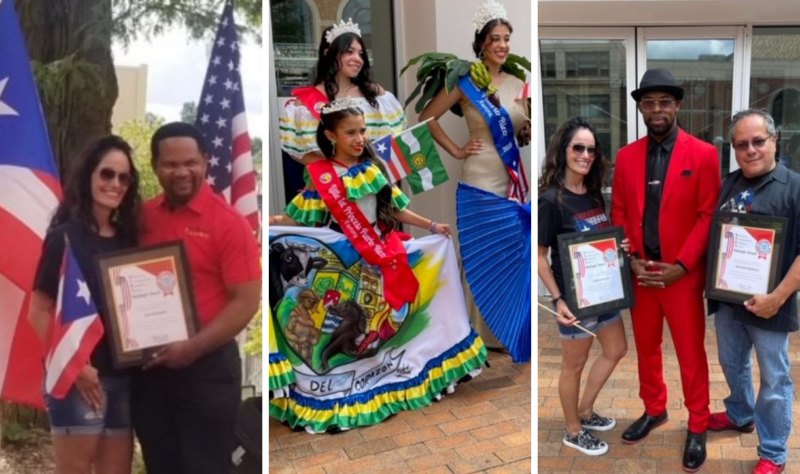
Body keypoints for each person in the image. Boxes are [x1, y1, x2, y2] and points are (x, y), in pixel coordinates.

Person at [268, 99, 488, 433]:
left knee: (388, 316)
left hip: (379, 254)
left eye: (363, 131)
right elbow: (298, 218)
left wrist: (431, 226)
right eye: (350, 132)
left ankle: (397, 374)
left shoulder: (371, 169)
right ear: (330, 135)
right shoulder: (321, 177)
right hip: (345, 258)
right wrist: (269, 222)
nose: (359, 139)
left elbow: (395, 209)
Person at [132, 122, 261, 474]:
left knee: (204, 466)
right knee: (161, 465)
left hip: (207, 369)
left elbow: (246, 300)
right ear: (156, 165)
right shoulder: (142, 218)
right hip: (150, 370)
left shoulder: (229, 223)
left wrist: (191, 348)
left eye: (190, 162)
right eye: (171, 164)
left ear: (206, 161)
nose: (181, 172)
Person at [611, 68, 721, 472]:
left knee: (691, 353)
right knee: (647, 349)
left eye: (664, 102)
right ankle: (654, 408)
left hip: (682, 276)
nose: (656, 109)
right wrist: (633, 258)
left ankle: (698, 422)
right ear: (640, 107)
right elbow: (620, 210)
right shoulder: (626, 157)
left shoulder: (704, 154)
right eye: (648, 102)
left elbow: (708, 214)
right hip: (642, 272)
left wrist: (681, 265)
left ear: (677, 105)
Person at [418, 0, 529, 351]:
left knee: (509, 251)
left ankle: (504, 331)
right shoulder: (465, 82)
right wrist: (455, 149)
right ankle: (474, 332)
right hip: (479, 178)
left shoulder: (517, 82)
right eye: (495, 38)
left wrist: (524, 132)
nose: (502, 45)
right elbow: (426, 117)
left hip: (510, 178)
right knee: (480, 252)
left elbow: (519, 131)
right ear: (481, 43)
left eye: (506, 38)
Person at [29, 135, 141, 474]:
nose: (116, 184)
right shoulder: (63, 237)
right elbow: (38, 311)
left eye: (124, 177)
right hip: (80, 380)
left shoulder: (130, 241)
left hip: (123, 378)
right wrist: (78, 368)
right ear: (89, 176)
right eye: (107, 174)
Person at [707, 109, 800, 474]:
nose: (751, 150)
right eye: (742, 144)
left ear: (774, 141)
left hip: (771, 307)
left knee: (775, 378)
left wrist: (777, 298)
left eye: (758, 141)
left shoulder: (795, 187)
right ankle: (740, 414)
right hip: (730, 302)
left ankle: (774, 451)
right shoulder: (728, 184)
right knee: (733, 364)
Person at [537, 117, 628, 456]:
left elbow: (596, 242)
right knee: (573, 365)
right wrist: (558, 300)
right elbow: (539, 256)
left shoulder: (592, 195)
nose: (586, 155)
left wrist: (618, 250)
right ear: (563, 150)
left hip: (603, 294)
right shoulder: (551, 200)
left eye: (591, 149)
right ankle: (573, 431)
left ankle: (585, 411)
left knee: (616, 348)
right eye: (579, 147)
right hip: (573, 301)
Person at [279, 19, 406, 168]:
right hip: (330, 183)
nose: (357, 59)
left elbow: (394, 139)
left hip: (370, 180)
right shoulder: (306, 100)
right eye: (349, 52)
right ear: (328, 54)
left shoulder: (375, 93)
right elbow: (297, 151)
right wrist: (339, 170)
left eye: (360, 53)